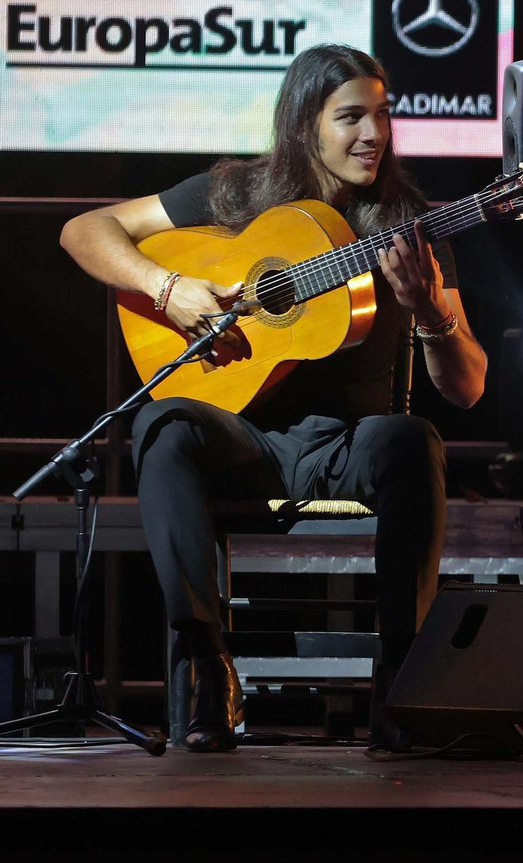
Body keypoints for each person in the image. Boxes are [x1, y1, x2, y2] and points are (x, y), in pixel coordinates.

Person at [59, 44, 487, 751]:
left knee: (413, 439)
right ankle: (207, 668)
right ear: (304, 124)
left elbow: (467, 387)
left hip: (346, 445)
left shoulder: (407, 224)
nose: (374, 135)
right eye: (351, 117)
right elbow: (85, 230)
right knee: (161, 424)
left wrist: (433, 312)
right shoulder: (234, 196)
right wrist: (168, 287)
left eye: (383, 115)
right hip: (244, 441)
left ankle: (401, 687)